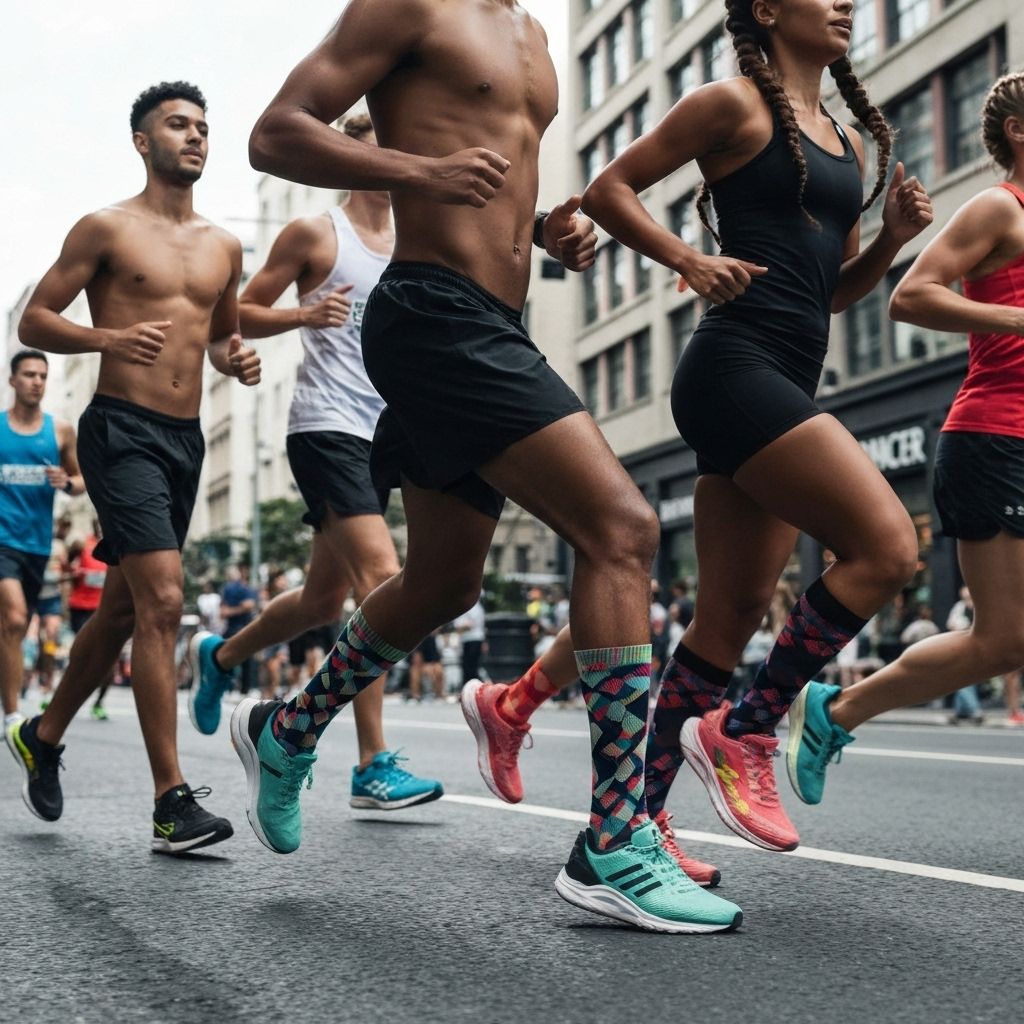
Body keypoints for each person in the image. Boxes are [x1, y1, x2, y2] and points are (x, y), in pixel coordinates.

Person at [232, 0, 742, 934]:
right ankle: (615, 842)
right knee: (622, 529)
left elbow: (492, 188)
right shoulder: (411, 6)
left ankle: (287, 729)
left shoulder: (534, 37)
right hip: (432, 316)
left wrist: (542, 235)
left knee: (441, 582)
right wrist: (418, 169)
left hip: (489, 317)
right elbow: (273, 136)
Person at [470, 0, 933, 861]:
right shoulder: (730, 105)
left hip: (790, 373)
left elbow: (830, 293)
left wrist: (890, 244)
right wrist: (685, 259)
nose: (843, 4)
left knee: (727, 617)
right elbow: (607, 189)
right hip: (734, 372)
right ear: (767, 10)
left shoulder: (844, 139)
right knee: (889, 548)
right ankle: (749, 729)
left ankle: (629, 828)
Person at [9, 81, 261, 853]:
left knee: (122, 611)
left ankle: (43, 736)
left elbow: (221, 336)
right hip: (119, 433)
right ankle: (170, 801)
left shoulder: (224, 246)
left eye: (203, 128)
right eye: (178, 126)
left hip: (186, 444)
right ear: (142, 141)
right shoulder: (107, 229)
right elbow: (35, 319)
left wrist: (238, 355)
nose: (195, 137)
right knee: (161, 602)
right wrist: (107, 341)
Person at [188, 114, 441, 810]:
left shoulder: (417, 241)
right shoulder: (317, 234)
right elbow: (237, 312)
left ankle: (222, 655)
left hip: (386, 433)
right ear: (351, 154)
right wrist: (303, 316)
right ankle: (371, 763)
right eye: (380, 143)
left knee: (321, 600)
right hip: (325, 426)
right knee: (384, 580)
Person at [787, 70, 1024, 802]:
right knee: (1003, 639)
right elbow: (910, 295)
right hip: (994, 439)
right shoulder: (999, 210)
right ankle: (837, 709)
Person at [0, 351, 84, 728]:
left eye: (42, 375)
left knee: (14, 626)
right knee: (15, 618)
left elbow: (82, 480)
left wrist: (66, 483)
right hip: (3, 541)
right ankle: (13, 715)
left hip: (37, 546)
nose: (36, 381)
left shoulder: (60, 431)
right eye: (29, 374)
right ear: (12, 380)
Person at [66, 520, 111, 720]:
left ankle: (99, 702)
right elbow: (67, 565)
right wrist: (74, 573)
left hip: (106, 609)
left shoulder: (119, 544)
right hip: (80, 608)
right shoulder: (82, 545)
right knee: (82, 655)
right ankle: (62, 698)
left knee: (111, 658)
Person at [35, 517, 72, 702]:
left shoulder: (58, 546)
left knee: (51, 635)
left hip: (52, 598)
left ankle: (48, 676)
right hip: (33, 594)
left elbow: (66, 571)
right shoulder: (31, 538)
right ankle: (38, 669)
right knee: (35, 640)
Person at [219, 564, 259, 696]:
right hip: (240, 628)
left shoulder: (233, 588)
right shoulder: (238, 588)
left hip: (238, 627)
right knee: (242, 659)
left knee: (231, 658)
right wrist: (240, 608)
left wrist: (232, 610)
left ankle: (231, 688)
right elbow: (247, 606)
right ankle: (240, 689)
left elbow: (225, 611)